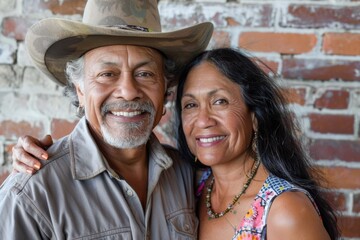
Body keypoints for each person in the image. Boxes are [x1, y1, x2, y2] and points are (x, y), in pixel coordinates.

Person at [12, 48, 340, 240]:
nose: (204, 120)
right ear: (80, 91)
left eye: (221, 101)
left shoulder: (284, 211)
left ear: (255, 115)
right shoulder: (195, 182)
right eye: (191, 105)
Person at [0, 0, 213, 239]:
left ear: (164, 90)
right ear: (80, 90)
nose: (129, 91)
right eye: (107, 74)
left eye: (145, 74)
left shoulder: (186, 174)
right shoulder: (33, 194)